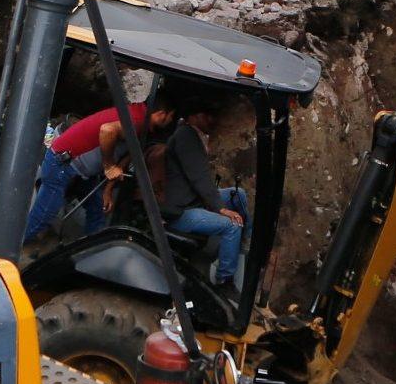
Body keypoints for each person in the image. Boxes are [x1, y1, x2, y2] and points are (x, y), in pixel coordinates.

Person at [23, 96, 177, 243]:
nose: (171, 121)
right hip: (63, 163)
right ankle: (6, 249)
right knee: (44, 215)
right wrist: (108, 166)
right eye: (171, 116)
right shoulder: (136, 119)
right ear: (161, 114)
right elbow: (107, 130)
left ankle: (88, 253)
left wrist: (108, 190)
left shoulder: (143, 127)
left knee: (97, 210)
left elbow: (125, 158)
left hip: (81, 171)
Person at [161, 103, 249, 289]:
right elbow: (199, 177)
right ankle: (224, 280)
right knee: (232, 225)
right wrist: (221, 209)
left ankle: (242, 246)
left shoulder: (194, 135)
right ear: (195, 116)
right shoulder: (185, 136)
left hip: (193, 200)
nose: (212, 120)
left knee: (238, 195)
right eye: (208, 115)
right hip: (181, 212)